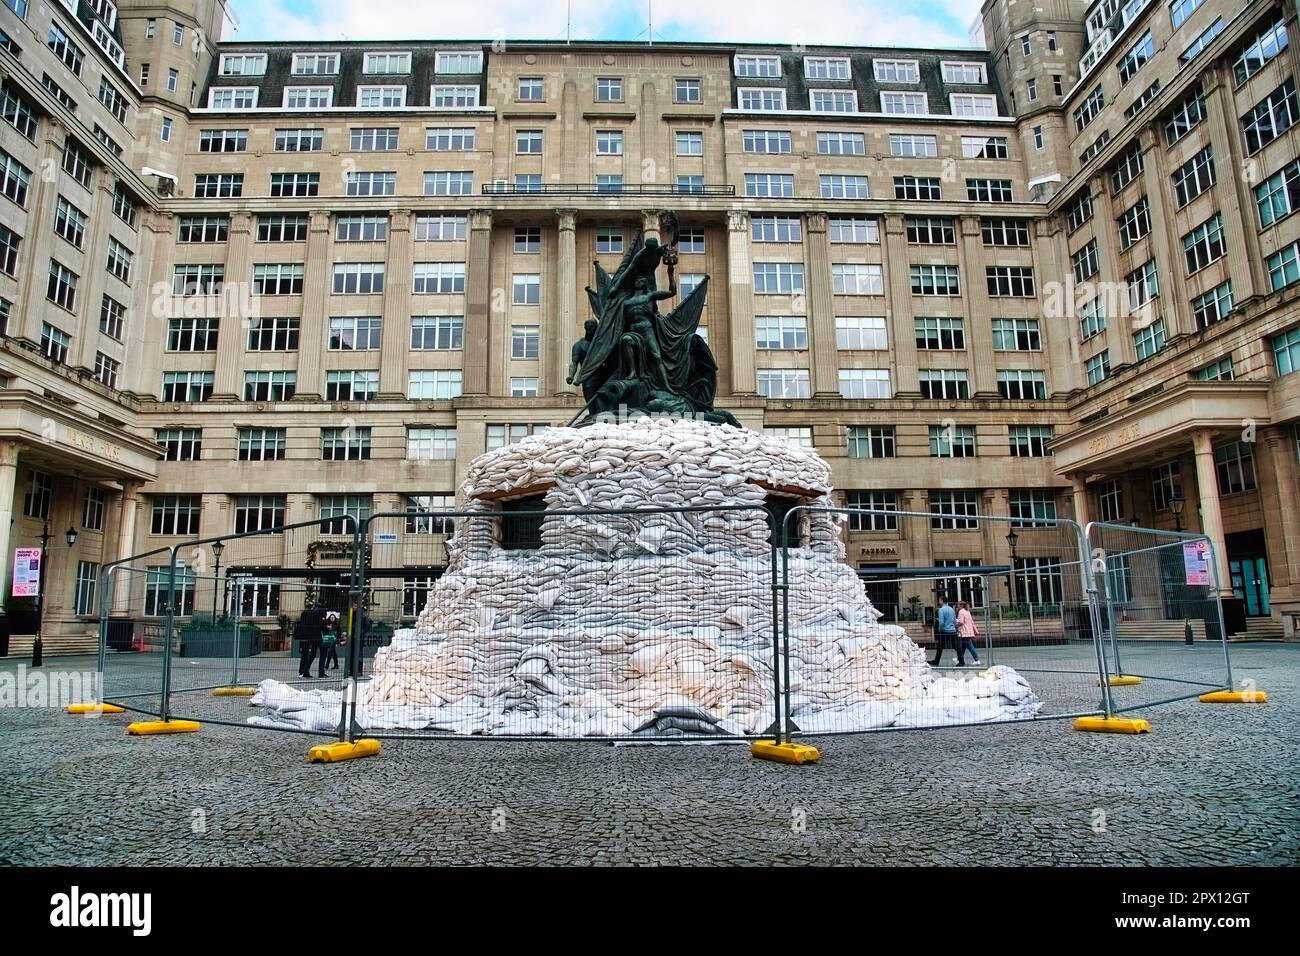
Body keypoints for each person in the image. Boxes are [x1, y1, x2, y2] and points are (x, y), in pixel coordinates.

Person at [296, 602, 327, 679]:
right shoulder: (320, 612)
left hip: (309, 637)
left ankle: (304, 671)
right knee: (322, 654)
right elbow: (321, 625)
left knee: (309, 654)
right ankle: (320, 672)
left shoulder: (307, 614)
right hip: (318, 636)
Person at [930, 595, 958, 667]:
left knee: (940, 647)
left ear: (942, 601)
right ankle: (961, 660)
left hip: (944, 631)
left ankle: (936, 661)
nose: (939, 602)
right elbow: (955, 620)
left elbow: (941, 622)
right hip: (952, 631)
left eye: (939, 600)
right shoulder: (951, 609)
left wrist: (939, 629)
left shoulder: (941, 610)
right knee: (956, 646)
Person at [956, 600, 982, 666]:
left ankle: (976, 659)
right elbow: (972, 622)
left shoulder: (961, 612)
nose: (957, 606)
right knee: (963, 647)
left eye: (958, 605)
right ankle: (960, 659)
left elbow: (961, 622)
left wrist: (955, 624)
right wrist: (976, 631)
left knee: (969, 646)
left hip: (964, 632)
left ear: (961, 605)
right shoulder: (967, 611)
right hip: (969, 631)